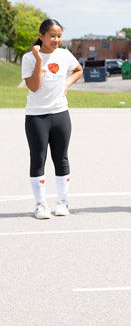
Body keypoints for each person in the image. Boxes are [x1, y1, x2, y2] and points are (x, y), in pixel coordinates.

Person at [21, 19, 83, 220]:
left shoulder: (64, 54)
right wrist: (40, 61)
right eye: (52, 36)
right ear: (41, 36)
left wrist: (67, 82)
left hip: (60, 114)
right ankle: (40, 205)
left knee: (62, 158)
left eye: (59, 36)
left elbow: (78, 70)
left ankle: (62, 202)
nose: (56, 40)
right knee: (38, 159)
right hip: (36, 116)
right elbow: (34, 86)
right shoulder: (29, 58)